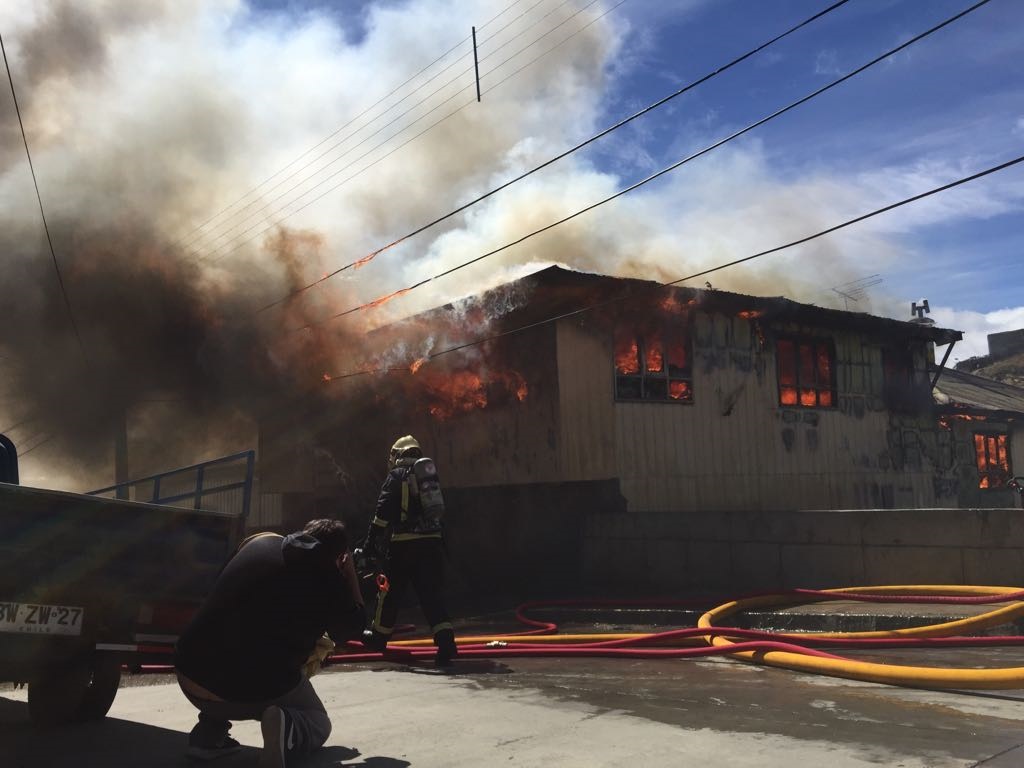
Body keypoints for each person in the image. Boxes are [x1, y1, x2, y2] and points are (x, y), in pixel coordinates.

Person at [175, 518, 365, 766]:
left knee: (233, 637)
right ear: (340, 557)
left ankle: (207, 737)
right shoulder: (328, 578)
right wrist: (349, 574)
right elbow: (354, 627)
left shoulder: (259, 542)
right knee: (318, 720)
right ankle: (287, 727)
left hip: (188, 673)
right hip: (243, 693)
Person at [360, 435, 458, 665]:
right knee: (431, 594)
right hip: (431, 543)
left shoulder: (395, 476)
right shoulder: (427, 476)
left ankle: (379, 637)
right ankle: (446, 642)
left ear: (397, 455)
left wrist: (369, 546)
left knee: (390, 591)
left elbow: (382, 515)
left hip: (403, 545)